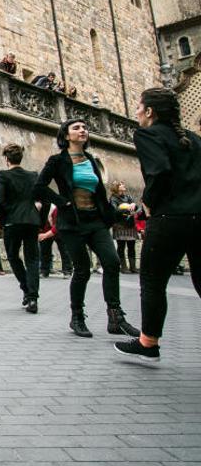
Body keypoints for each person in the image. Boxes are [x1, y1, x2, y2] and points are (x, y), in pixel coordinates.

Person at [114, 87, 201, 361]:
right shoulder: (195, 140)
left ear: (150, 111)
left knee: (152, 281)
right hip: (199, 218)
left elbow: (159, 171)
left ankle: (148, 342)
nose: (136, 111)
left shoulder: (148, 134)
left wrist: (148, 201)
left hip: (169, 219)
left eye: (139, 107)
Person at [34, 119, 139, 339]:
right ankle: (77, 317)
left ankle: (115, 317)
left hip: (95, 221)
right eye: (76, 128)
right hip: (72, 223)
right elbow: (39, 187)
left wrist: (116, 213)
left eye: (84, 128)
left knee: (112, 262)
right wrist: (63, 203)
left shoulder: (90, 159)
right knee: (81, 270)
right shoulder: (57, 160)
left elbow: (99, 194)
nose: (83, 130)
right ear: (66, 136)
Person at [0, 144, 41, 313]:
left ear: (6, 159)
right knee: (33, 259)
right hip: (31, 221)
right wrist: (40, 220)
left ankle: (26, 290)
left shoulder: (3, 175)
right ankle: (33, 297)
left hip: (12, 222)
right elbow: (42, 198)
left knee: (13, 256)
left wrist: (1, 222)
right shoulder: (33, 175)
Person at [108, 181, 138, 273]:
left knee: (131, 246)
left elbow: (135, 207)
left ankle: (133, 267)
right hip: (120, 225)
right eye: (121, 185)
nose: (123, 186)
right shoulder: (113, 198)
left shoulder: (128, 197)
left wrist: (134, 205)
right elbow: (115, 211)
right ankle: (123, 267)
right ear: (116, 188)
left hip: (130, 224)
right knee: (121, 246)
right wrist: (126, 207)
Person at [38, 204, 72, 277]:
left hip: (59, 230)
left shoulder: (54, 209)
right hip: (45, 230)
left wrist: (45, 235)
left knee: (64, 250)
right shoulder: (34, 209)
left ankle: (67, 270)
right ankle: (44, 270)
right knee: (44, 250)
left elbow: (57, 226)